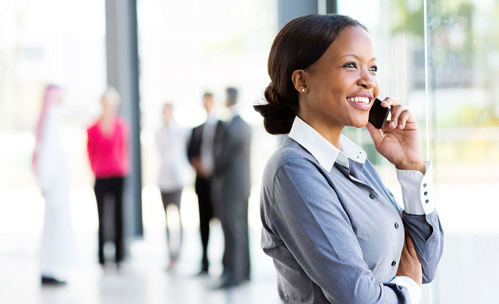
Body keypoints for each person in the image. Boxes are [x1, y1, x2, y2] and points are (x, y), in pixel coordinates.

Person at [254, 14, 444, 303]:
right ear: (302, 80)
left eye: (373, 68)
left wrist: (411, 167)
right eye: (351, 65)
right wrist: (408, 291)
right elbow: (359, 297)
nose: (368, 81)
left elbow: (425, 264)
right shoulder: (293, 170)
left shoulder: (352, 161)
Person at [32, 84, 77, 286]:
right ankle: (49, 270)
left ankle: (51, 269)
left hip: (56, 186)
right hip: (54, 188)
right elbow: (47, 155)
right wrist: (46, 182)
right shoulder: (53, 118)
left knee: (55, 229)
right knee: (54, 229)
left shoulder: (52, 118)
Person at [212, 87, 252, 288]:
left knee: (232, 228)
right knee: (241, 227)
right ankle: (243, 272)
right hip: (243, 184)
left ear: (228, 99)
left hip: (231, 185)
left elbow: (223, 158)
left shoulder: (231, 126)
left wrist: (213, 168)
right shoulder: (245, 125)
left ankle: (233, 275)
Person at [86, 88, 130, 268]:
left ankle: (120, 254)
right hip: (101, 175)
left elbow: (124, 150)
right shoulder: (92, 128)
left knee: (119, 214)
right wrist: (95, 168)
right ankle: (102, 255)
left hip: (118, 175)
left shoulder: (121, 126)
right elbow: (90, 152)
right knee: (102, 215)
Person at [187, 92, 224, 275]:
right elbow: (190, 153)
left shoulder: (223, 128)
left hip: (219, 183)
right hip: (201, 183)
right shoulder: (196, 130)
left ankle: (226, 263)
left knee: (223, 223)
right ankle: (204, 263)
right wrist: (199, 167)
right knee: (203, 224)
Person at [156, 102, 192, 271]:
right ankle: (170, 254)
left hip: (177, 180)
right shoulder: (159, 133)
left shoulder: (179, 131)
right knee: (166, 219)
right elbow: (164, 151)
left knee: (178, 218)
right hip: (164, 180)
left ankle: (179, 253)